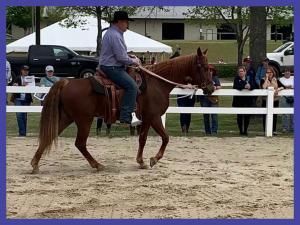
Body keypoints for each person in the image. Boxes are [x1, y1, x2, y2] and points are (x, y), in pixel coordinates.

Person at [99, 10, 141, 126]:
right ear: (120, 22)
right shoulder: (115, 35)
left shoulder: (113, 33)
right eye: (126, 22)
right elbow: (121, 57)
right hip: (112, 67)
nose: (127, 25)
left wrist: (129, 56)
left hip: (109, 65)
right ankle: (126, 116)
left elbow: (120, 54)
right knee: (132, 86)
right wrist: (134, 61)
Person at [260, 66, 284, 135]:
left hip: (275, 100)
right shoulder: (263, 80)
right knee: (265, 115)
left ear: (273, 73)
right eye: (267, 72)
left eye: (270, 72)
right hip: (265, 100)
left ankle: (274, 130)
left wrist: (277, 90)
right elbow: (263, 87)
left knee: (274, 115)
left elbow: (283, 87)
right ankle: (265, 130)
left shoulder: (276, 80)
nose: (269, 73)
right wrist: (266, 79)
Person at [10, 65, 33, 136]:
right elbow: (13, 87)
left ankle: (23, 133)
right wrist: (16, 85)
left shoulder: (30, 79)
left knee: (24, 116)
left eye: (27, 70)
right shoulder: (17, 78)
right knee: (19, 115)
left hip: (26, 99)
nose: (25, 71)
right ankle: (22, 133)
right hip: (18, 99)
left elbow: (33, 87)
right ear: (21, 71)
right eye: (24, 70)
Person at [198, 64, 221, 135]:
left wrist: (216, 87)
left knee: (214, 116)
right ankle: (207, 131)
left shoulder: (215, 78)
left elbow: (219, 86)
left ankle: (214, 131)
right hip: (205, 99)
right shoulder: (203, 79)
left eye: (211, 70)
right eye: (209, 70)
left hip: (213, 99)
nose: (210, 71)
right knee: (206, 116)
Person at [232, 66, 253, 136]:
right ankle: (241, 131)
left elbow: (254, 85)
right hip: (239, 101)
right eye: (239, 71)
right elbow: (236, 86)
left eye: (242, 71)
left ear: (245, 72)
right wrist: (245, 85)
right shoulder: (236, 79)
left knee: (247, 116)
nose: (240, 73)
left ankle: (245, 131)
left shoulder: (249, 78)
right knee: (239, 117)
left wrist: (250, 86)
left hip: (247, 101)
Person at [279, 68, 294, 132]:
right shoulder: (281, 79)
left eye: (288, 71)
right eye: (286, 71)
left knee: (293, 113)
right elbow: (280, 87)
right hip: (284, 97)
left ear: (290, 72)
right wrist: (287, 87)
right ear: (284, 72)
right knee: (285, 113)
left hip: (293, 96)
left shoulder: (294, 78)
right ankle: (285, 128)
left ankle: (293, 127)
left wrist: (287, 87)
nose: (287, 72)